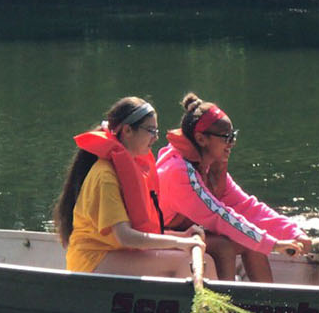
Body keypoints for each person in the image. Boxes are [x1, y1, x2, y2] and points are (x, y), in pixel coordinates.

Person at [156, 93, 311, 282]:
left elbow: (248, 207)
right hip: (160, 236)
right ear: (201, 139)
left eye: (233, 136)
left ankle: (268, 305)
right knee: (225, 246)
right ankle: (226, 307)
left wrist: (292, 232)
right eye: (226, 137)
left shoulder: (209, 168)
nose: (231, 144)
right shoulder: (179, 172)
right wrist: (273, 244)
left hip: (185, 233)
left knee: (251, 240)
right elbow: (219, 216)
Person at [53, 97, 213, 278]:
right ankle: (194, 307)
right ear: (128, 130)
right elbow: (125, 237)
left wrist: (183, 237)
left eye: (156, 130)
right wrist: (178, 242)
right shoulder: (105, 176)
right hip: (91, 261)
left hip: (115, 253)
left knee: (205, 259)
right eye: (150, 130)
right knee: (186, 262)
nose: (156, 137)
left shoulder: (133, 167)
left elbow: (136, 232)